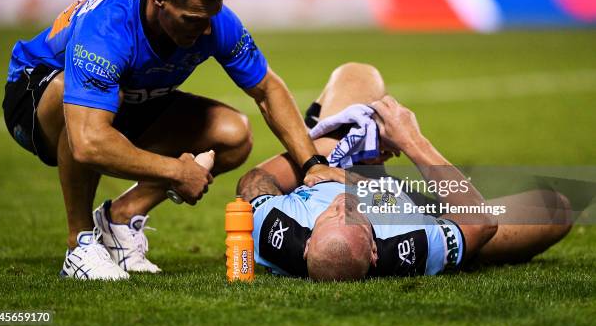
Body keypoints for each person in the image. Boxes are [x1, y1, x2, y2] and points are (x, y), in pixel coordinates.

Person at [2, 0, 343, 280]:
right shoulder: (108, 27)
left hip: (127, 100)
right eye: (193, 19)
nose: (206, 29)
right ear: (159, 0)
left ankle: (120, 218)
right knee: (79, 104)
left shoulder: (213, 21)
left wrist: (312, 164)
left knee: (233, 134)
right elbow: (88, 142)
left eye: (210, 17)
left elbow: (267, 89)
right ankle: (80, 245)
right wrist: (177, 172)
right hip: (36, 97)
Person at [237, 63, 573, 280]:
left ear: (308, 244)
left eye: (331, 215)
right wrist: (411, 140)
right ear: (373, 253)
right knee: (555, 207)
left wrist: (321, 158)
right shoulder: (409, 248)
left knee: (357, 75)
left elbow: (253, 181)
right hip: (413, 209)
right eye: (353, 216)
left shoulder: (275, 233)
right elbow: (480, 222)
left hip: (336, 168)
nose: (343, 205)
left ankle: (350, 135)